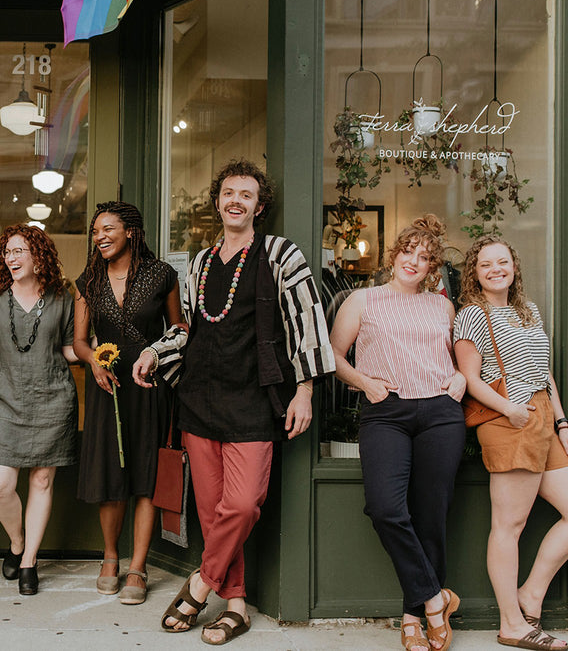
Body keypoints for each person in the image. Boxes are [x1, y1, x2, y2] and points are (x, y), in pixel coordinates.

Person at [132, 158, 335, 645]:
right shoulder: (200, 262)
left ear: (259, 206)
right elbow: (190, 331)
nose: (236, 200)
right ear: (218, 202)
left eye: (246, 194)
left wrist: (304, 390)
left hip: (253, 404)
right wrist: (154, 351)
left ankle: (201, 586)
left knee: (241, 506)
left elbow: (309, 323)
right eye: (228, 193)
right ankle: (237, 606)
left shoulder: (282, 255)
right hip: (198, 401)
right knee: (213, 512)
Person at [329, 215, 465, 651]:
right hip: (385, 411)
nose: (414, 261)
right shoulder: (362, 300)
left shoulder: (443, 306)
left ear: (432, 268)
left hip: (440, 413)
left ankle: (412, 618)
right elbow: (333, 356)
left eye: (424, 257)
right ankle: (434, 597)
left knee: (431, 513)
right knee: (386, 508)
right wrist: (365, 383)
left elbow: (464, 355)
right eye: (408, 252)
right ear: (394, 255)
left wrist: (461, 379)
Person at [454, 235, 568, 650]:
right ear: (475, 273)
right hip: (509, 419)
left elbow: (544, 371)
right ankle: (512, 625)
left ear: (514, 267)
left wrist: (562, 420)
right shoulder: (471, 315)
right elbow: (469, 378)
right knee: (509, 525)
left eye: (502, 262)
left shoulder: (528, 310)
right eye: (486, 265)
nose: (495, 269)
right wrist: (509, 409)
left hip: (542, 416)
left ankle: (530, 595)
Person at [74, 202, 181, 605]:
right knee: (110, 476)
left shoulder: (161, 275)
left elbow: (180, 328)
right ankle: (110, 557)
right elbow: (80, 340)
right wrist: (93, 363)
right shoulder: (89, 281)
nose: (99, 237)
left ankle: (139, 565)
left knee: (147, 475)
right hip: (109, 387)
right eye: (95, 231)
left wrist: (154, 353)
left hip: (150, 386)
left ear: (131, 232)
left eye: (108, 229)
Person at [0, 224, 77, 596]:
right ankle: (16, 541)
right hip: (4, 401)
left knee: (41, 482)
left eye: (18, 251)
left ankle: (29, 560)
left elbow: (69, 349)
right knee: (0, 487)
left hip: (52, 399)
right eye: (7, 253)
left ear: (38, 255)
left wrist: (101, 355)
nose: (10, 258)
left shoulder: (63, 296)